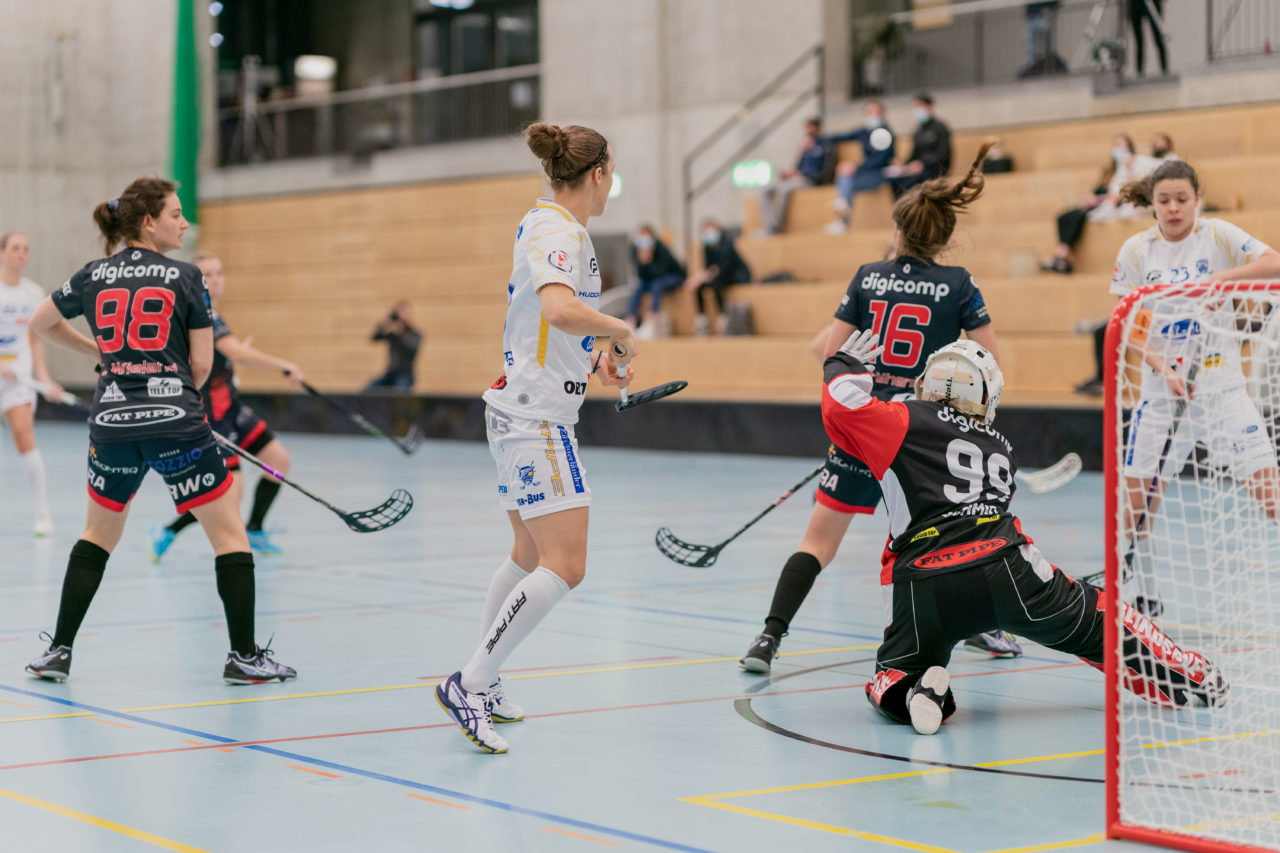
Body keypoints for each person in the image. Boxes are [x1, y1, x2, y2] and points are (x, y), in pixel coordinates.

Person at [822, 331, 1229, 735]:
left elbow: (839, 406)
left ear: (926, 382)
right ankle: (1192, 670)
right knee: (1105, 618)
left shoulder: (900, 420)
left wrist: (842, 365)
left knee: (888, 677)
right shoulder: (999, 445)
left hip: (920, 584)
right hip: (1007, 572)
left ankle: (918, 694)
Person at [740, 140, 1021, 674]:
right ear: (941, 236)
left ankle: (767, 639)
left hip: (865, 426)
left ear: (899, 230)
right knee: (950, 535)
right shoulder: (958, 283)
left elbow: (830, 354)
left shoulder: (867, 276)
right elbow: (989, 364)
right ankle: (971, 626)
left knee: (817, 543)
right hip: (922, 435)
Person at [23, 177, 295, 684]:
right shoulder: (187, 277)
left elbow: (41, 322)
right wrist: (175, 403)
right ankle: (243, 656)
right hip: (178, 424)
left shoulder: (94, 273)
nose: (184, 222)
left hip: (111, 425)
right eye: (176, 214)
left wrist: (100, 354)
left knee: (97, 537)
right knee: (230, 534)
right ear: (149, 221)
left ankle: (58, 650)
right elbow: (200, 364)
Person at [435, 122, 635, 754]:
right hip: (535, 415)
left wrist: (597, 354)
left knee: (526, 553)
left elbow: (555, 326)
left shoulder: (560, 227)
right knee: (566, 565)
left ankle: (482, 680)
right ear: (598, 172)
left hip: (535, 405)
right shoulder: (555, 229)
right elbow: (555, 307)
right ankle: (471, 682)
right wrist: (620, 326)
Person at [1108, 159, 1280, 616]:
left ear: (1196, 200)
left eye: (1182, 199)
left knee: (1270, 493)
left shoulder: (1218, 236)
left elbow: (1274, 265)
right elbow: (1132, 326)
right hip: (1161, 395)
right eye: (1164, 200)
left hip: (1222, 390)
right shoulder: (1137, 250)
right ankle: (1143, 594)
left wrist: (1219, 281)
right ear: (1153, 203)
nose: (1173, 208)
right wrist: (1162, 367)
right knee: (1137, 505)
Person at [148, 252, 304, 560]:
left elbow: (225, 354)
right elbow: (236, 353)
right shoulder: (200, 314)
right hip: (212, 417)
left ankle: (255, 529)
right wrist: (283, 365)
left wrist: (232, 357)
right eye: (207, 274)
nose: (215, 279)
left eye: (219, 272)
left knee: (277, 461)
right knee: (230, 494)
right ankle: (167, 531)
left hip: (231, 408)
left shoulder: (212, 313)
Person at [0, 231, 62, 536]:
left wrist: (45, 378)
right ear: (2, 253)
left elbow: (36, 341)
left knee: (25, 438)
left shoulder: (33, 293)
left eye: (26, 249)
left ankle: (42, 513)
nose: (21, 254)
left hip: (18, 380)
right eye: (15, 248)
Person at [1042, 135, 1153, 275]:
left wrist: (1099, 199)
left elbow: (1121, 191)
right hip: (1098, 202)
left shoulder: (1130, 167)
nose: (1118, 149)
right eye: (1116, 145)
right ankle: (1064, 252)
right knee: (1063, 217)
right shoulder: (1108, 169)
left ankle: (1064, 252)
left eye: (1121, 145)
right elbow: (1099, 187)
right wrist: (1091, 197)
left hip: (1112, 204)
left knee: (1080, 216)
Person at [823, 101, 896, 236]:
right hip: (864, 174)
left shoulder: (886, 134)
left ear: (882, 114)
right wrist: (817, 139)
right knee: (844, 173)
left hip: (879, 174)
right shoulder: (864, 132)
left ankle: (843, 210)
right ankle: (843, 212)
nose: (872, 116)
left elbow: (880, 161)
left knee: (847, 173)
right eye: (869, 112)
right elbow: (842, 136)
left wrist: (856, 167)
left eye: (875, 112)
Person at [758, 117, 833, 236]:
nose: (806, 130)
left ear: (816, 127)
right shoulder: (806, 145)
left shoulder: (824, 144)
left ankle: (776, 228)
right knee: (764, 190)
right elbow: (798, 167)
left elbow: (824, 170)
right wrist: (790, 173)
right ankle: (770, 226)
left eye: (808, 127)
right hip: (796, 178)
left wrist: (802, 173)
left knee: (784, 189)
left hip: (810, 179)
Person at [684, 219, 752, 336]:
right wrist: (698, 279)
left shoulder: (727, 244)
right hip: (717, 275)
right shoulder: (707, 247)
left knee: (715, 284)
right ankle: (702, 319)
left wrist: (704, 276)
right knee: (699, 287)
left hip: (734, 275)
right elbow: (708, 267)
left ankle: (723, 317)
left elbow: (724, 268)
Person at [885, 93, 951, 200]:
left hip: (936, 169)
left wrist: (923, 163)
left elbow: (943, 153)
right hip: (918, 169)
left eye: (919, 106)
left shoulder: (940, 128)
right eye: (915, 107)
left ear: (929, 107)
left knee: (909, 185)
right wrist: (903, 163)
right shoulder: (918, 131)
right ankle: (903, 214)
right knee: (895, 182)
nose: (917, 110)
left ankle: (915, 213)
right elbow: (914, 155)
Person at [625, 225, 685, 339]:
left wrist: (649, 260)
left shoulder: (660, 248)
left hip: (673, 276)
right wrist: (643, 262)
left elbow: (663, 272)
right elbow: (640, 275)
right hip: (651, 279)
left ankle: (651, 323)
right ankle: (631, 321)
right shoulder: (635, 249)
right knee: (637, 287)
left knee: (657, 285)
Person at [365, 300, 421, 391]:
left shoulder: (414, 334)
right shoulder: (391, 333)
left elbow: (411, 351)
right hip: (390, 373)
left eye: (405, 313)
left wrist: (399, 334)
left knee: (399, 396)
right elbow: (374, 338)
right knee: (368, 390)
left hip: (405, 375)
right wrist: (385, 322)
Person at [1128, 0, 1168, 78]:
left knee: (1158, 36)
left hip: (1152, 2)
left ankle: (1164, 68)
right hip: (1135, 3)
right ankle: (1139, 70)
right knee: (1138, 40)